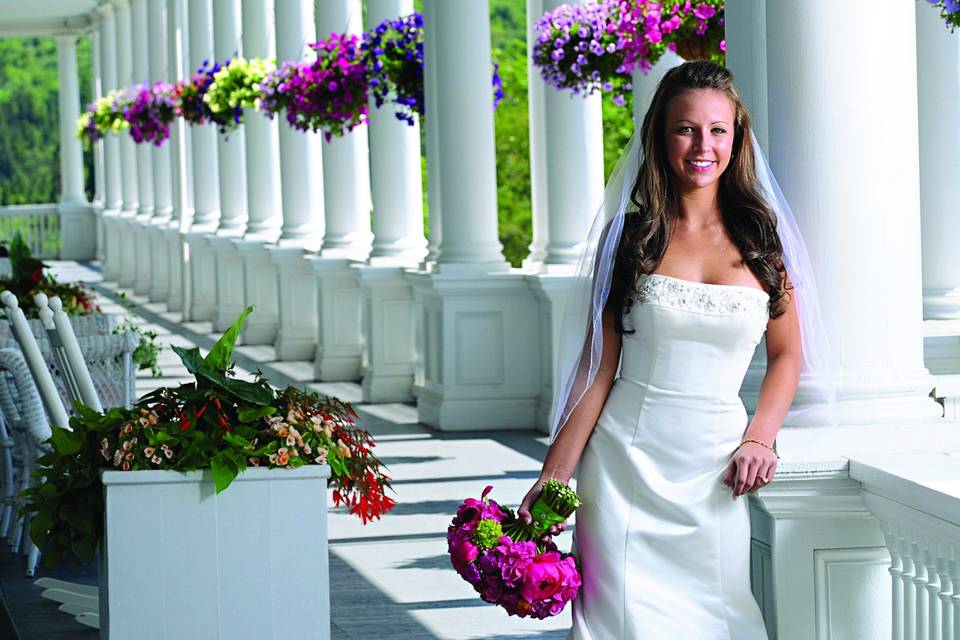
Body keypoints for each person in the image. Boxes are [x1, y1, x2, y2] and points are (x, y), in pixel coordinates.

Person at [517, 61, 813, 638]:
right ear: (660, 135)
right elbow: (596, 370)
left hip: (715, 467)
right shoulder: (629, 237)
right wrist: (553, 479)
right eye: (686, 129)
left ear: (737, 137)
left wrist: (760, 437)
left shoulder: (762, 242)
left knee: (719, 614)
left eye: (717, 130)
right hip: (625, 462)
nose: (703, 146)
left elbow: (787, 357)